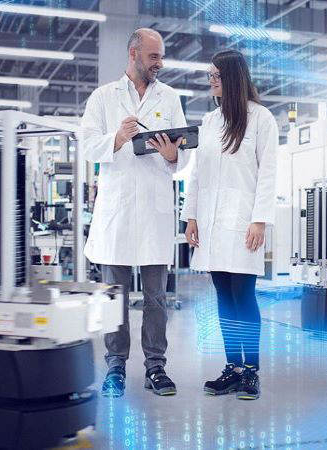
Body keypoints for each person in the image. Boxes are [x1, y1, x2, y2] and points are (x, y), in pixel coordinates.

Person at [78, 28, 189, 398]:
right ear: (133, 54)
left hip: (155, 209)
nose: (159, 64)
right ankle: (115, 366)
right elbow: (87, 146)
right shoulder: (102, 97)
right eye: (153, 56)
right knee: (115, 295)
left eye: (161, 57)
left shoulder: (169, 97)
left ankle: (156, 367)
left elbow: (182, 152)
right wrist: (117, 138)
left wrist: (174, 155)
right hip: (117, 211)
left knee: (156, 298)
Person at [182, 49, 277, 401]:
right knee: (223, 298)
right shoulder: (208, 122)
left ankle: (251, 371)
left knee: (243, 297)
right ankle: (232, 369)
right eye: (209, 76)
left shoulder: (261, 119)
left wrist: (259, 220)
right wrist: (191, 216)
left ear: (233, 79)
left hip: (242, 224)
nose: (211, 82)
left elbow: (267, 173)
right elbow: (197, 174)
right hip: (210, 224)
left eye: (216, 77)